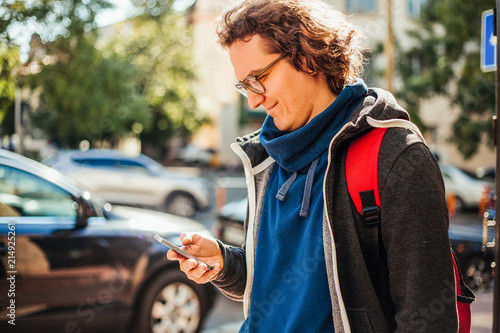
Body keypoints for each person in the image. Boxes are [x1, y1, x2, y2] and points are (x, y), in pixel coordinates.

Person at [167, 0, 459, 331]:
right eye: (244, 85)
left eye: (258, 77)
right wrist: (224, 263)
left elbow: (428, 319)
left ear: (306, 57)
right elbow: (273, 287)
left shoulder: (395, 155)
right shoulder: (266, 159)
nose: (253, 100)